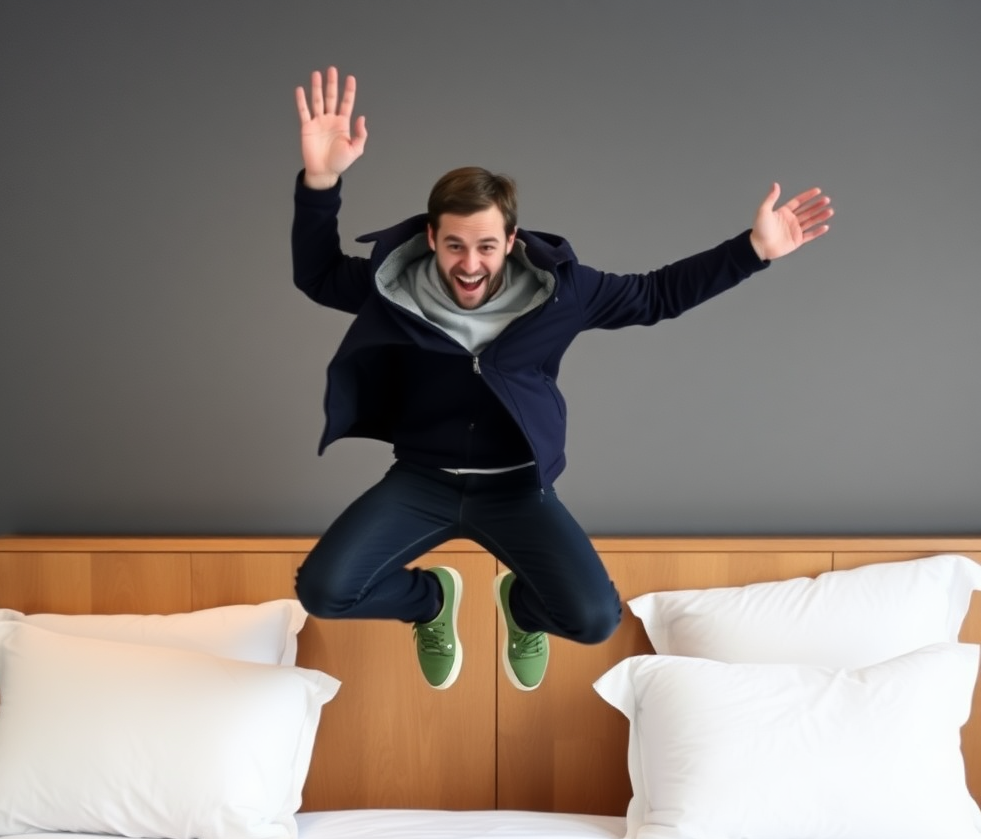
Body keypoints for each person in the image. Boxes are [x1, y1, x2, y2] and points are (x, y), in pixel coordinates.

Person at [290, 66, 833, 692]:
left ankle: (520, 609)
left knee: (595, 618)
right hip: (421, 481)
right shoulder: (390, 288)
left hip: (517, 489)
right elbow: (318, 273)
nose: (471, 264)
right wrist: (321, 180)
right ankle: (430, 603)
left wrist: (752, 250)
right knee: (324, 591)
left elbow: (655, 295)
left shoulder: (561, 293)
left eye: (487, 246)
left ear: (511, 240)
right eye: (456, 246)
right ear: (432, 238)